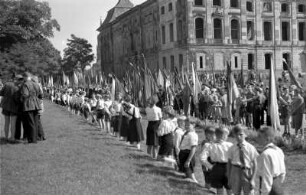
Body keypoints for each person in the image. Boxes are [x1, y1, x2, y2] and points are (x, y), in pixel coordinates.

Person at [200, 127, 233, 195]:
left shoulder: (209, 145)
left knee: (219, 188)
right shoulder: (230, 145)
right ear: (223, 135)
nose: (227, 137)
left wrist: (211, 167)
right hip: (228, 168)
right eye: (227, 135)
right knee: (229, 188)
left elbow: (202, 158)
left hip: (216, 167)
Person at [227, 125, 258, 195]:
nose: (238, 137)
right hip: (235, 171)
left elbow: (255, 164)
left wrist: (252, 179)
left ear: (245, 135)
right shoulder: (232, 148)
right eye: (236, 135)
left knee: (249, 192)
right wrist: (229, 178)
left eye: (241, 134)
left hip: (247, 171)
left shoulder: (250, 148)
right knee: (236, 192)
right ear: (234, 135)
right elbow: (229, 163)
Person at [256, 126, 286, 195]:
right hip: (278, 186)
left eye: (260, 136)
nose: (257, 138)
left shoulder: (266, 154)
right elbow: (283, 171)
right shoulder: (278, 150)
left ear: (267, 139)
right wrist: (278, 183)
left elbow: (267, 176)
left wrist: (264, 193)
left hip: (271, 189)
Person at [20, 72, 42, 144]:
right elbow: (40, 93)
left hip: (29, 104)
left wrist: (21, 98)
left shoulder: (25, 84)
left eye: (23, 78)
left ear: (25, 77)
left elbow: (25, 95)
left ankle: (32, 140)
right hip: (36, 103)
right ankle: (35, 138)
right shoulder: (35, 84)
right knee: (35, 122)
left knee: (30, 122)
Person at [0, 74, 22, 141]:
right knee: (13, 123)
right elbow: (17, 99)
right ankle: (12, 137)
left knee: (6, 122)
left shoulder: (6, 84)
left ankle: (6, 137)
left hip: (5, 106)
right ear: (16, 79)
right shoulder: (17, 87)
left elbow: (1, 93)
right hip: (14, 107)